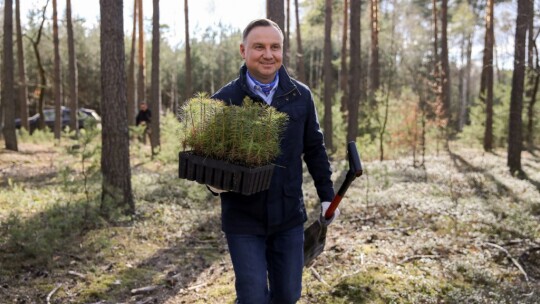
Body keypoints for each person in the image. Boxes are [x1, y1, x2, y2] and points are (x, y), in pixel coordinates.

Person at [209, 19, 339, 303]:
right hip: (243, 220)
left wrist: (327, 196)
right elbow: (208, 160)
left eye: (275, 47)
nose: (268, 54)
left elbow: (315, 148)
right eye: (259, 47)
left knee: (288, 295)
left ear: (282, 51)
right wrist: (214, 185)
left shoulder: (300, 96)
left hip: (288, 217)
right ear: (243, 51)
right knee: (253, 296)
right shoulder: (224, 100)